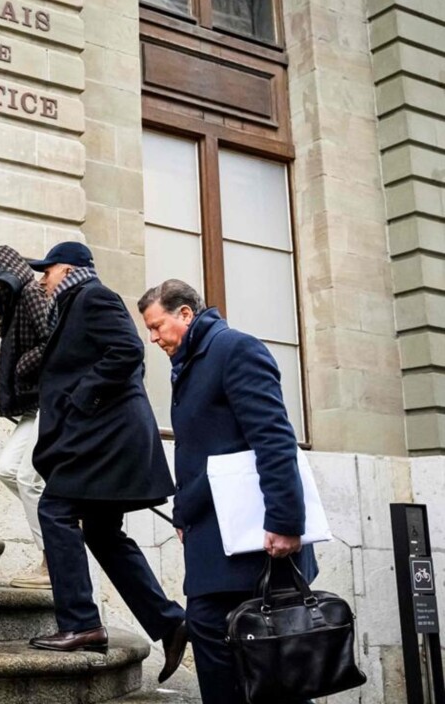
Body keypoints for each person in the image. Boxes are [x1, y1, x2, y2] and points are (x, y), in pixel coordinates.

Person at [138, 279, 318, 704]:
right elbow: (200, 449)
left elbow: (274, 440)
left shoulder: (235, 349)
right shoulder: (192, 362)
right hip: (216, 539)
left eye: (157, 326)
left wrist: (285, 522)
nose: (153, 338)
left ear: (185, 314)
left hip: (257, 542)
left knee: (270, 666)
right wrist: (183, 513)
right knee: (229, 649)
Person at [26, 241, 188, 686]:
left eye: (47, 271)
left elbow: (128, 350)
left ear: (68, 269)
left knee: (54, 509)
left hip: (106, 436)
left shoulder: (94, 296)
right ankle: (170, 621)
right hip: (103, 435)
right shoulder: (70, 306)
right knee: (101, 531)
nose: (42, 280)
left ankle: (81, 623)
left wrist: (82, 398)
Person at [0, 246, 52, 589]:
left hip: (48, 399)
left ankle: (53, 558)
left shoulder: (32, 294)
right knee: (7, 469)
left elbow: (52, 339)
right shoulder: (12, 305)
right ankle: (60, 523)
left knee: (28, 477)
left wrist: (23, 365)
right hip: (32, 406)